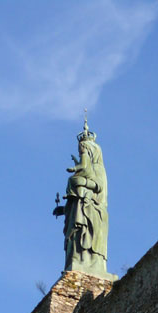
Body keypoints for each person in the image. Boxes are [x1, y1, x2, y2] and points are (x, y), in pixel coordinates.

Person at [53, 117, 108, 276]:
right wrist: (64, 209)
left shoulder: (97, 167)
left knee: (87, 240)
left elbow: (98, 186)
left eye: (83, 152)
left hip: (93, 211)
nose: (81, 154)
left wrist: (81, 182)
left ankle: (87, 266)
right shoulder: (85, 169)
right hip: (79, 207)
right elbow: (76, 195)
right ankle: (77, 266)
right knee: (76, 242)